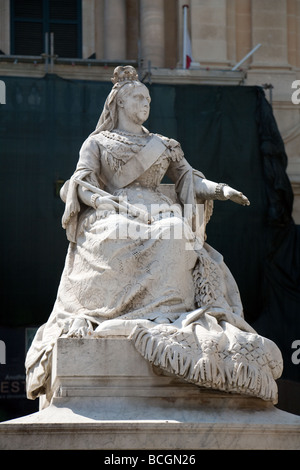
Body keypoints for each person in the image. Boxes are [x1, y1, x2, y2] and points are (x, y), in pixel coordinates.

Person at [26, 66, 282, 403]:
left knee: (177, 232)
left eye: (148, 98)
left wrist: (220, 189)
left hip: (159, 209)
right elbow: (80, 183)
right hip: (115, 210)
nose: (146, 103)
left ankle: (168, 315)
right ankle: (118, 312)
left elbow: (187, 180)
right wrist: (103, 200)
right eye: (138, 98)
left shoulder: (162, 144)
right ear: (119, 103)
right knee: (116, 232)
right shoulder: (98, 142)